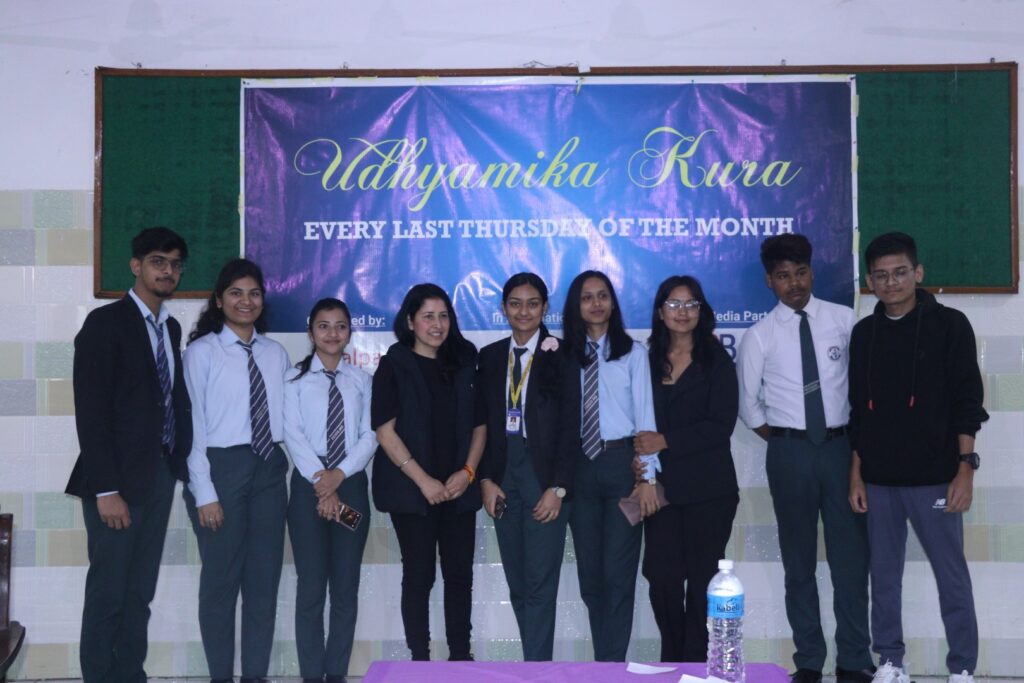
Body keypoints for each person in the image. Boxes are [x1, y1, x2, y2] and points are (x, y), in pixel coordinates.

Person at [848, 232, 987, 683]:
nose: (891, 282)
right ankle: (890, 662)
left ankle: (962, 667)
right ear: (870, 281)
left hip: (936, 478)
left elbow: (968, 402)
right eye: (881, 275)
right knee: (884, 578)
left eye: (900, 272)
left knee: (952, 576)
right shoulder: (864, 334)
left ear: (918, 273)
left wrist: (965, 469)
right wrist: (856, 475)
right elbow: (858, 411)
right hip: (879, 482)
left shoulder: (951, 325)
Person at [735, 234, 874, 683]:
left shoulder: (844, 321)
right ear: (769, 281)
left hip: (841, 451)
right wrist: (786, 438)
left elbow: (863, 388)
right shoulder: (759, 335)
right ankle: (810, 661)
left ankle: (854, 659)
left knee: (850, 560)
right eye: (783, 276)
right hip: (789, 454)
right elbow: (749, 407)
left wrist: (841, 444)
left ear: (812, 272)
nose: (793, 283)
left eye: (800, 273)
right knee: (798, 563)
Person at [66, 226, 192, 683]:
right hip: (114, 483)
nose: (168, 271)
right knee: (108, 594)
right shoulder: (105, 323)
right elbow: (91, 412)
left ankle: (130, 675)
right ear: (136, 266)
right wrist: (106, 489)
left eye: (175, 264)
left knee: (139, 592)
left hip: (158, 475)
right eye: (158, 261)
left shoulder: (169, 327)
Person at [182, 258, 291, 683]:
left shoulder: (275, 353)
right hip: (219, 469)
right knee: (220, 585)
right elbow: (193, 426)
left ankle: (255, 676)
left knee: (263, 585)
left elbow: (289, 420)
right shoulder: (202, 352)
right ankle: (221, 677)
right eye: (236, 293)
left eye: (254, 293)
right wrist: (204, 491)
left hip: (268, 470)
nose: (246, 301)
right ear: (218, 300)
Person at [371, 283, 486, 661]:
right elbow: (385, 432)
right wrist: (424, 482)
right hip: (412, 491)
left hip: (458, 489)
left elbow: (481, 426)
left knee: (459, 576)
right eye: (428, 317)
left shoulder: (465, 362)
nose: (437, 325)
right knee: (420, 575)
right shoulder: (394, 364)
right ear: (410, 321)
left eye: (443, 316)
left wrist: (468, 472)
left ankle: (460, 657)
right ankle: (419, 660)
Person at [634, 275, 739, 663]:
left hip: (710, 490)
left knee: (701, 581)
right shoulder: (646, 361)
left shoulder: (717, 360)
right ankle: (672, 655)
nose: (682, 312)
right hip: (661, 491)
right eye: (674, 304)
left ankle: (695, 661)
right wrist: (642, 471)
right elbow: (635, 424)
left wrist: (665, 440)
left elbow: (720, 426)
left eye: (690, 304)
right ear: (660, 312)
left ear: (701, 311)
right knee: (661, 577)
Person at [476, 272, 581, 661]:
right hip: (503, 477)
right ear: (504, 308)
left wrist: (559, 487)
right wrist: (485, 479)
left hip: (545, 479)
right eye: (515, 304)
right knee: (518, 584)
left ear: (545, 308)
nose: (524, 311)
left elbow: (572, 428)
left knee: (539, 585)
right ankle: (533, 666)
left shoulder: (564, 355)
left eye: (533, 304)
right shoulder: (489, 357)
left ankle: (537, 671)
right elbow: (480, 425)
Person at [561, 270, 659, 662]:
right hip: (579, 469)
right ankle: (604, 662)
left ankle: (612, 666)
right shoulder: (563, 354)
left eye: (603, 295)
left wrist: (647, 477)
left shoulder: (633, 353)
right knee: (591, 576)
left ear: (613, 303)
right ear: (576, 306)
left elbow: (646, 419)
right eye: (587, 297)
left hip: (624, 467)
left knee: (619, 574)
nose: (596, 303)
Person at [284, 298, 377, 683]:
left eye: (340, 326)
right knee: (310, 589)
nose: (332, 333)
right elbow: (292, 434)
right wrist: (322, 483)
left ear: (349, 332)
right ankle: (311, 675)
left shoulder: (363, 380)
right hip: (307, 485)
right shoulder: (292, 380)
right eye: (324, 326)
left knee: (344, 588)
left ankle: (336, 674)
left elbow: (370, 436)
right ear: (311, 332)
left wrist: (337, 476)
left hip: (350, 483)